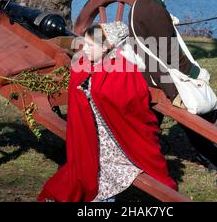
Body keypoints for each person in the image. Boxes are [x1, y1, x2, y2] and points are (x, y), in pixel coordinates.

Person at [38, 22, 177, 202]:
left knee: (102, 176)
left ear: (105, 47)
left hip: (118, 143)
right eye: (84, 43)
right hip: (91, 137)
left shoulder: (123, 71)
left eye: (90, 45)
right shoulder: (85, 64)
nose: (84, 49)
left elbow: (132, 109)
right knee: (83, 172)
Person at [128, 0, 217, 173]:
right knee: (192, 110)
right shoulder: (152, 9)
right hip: (160, 75)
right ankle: (215, 159)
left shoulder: (146, 4)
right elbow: (168, 52)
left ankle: (206, 148)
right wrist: (195, 73)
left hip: (154, 69)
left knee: (198, 108)